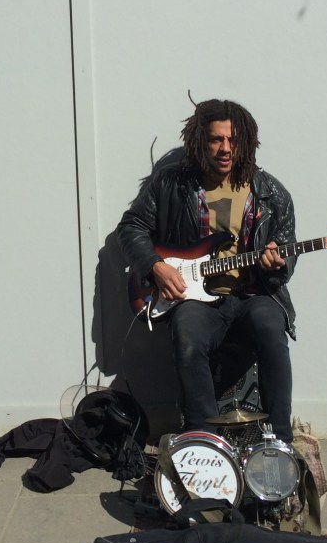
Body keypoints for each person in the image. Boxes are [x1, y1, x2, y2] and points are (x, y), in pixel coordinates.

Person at [117, 98, 297, 444]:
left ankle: (280, 440)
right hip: (198, 299)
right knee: (187, 332)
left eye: (233, 140)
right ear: (200, 141)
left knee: (271, 328)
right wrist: (154, 266)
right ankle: (202, 438)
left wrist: (278, 263)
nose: (225, 149)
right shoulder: (172, 184)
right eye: (216, 139)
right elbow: (132, 226)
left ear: (246, 142)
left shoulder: (271, 193)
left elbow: (283, 261)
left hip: (253, 293)